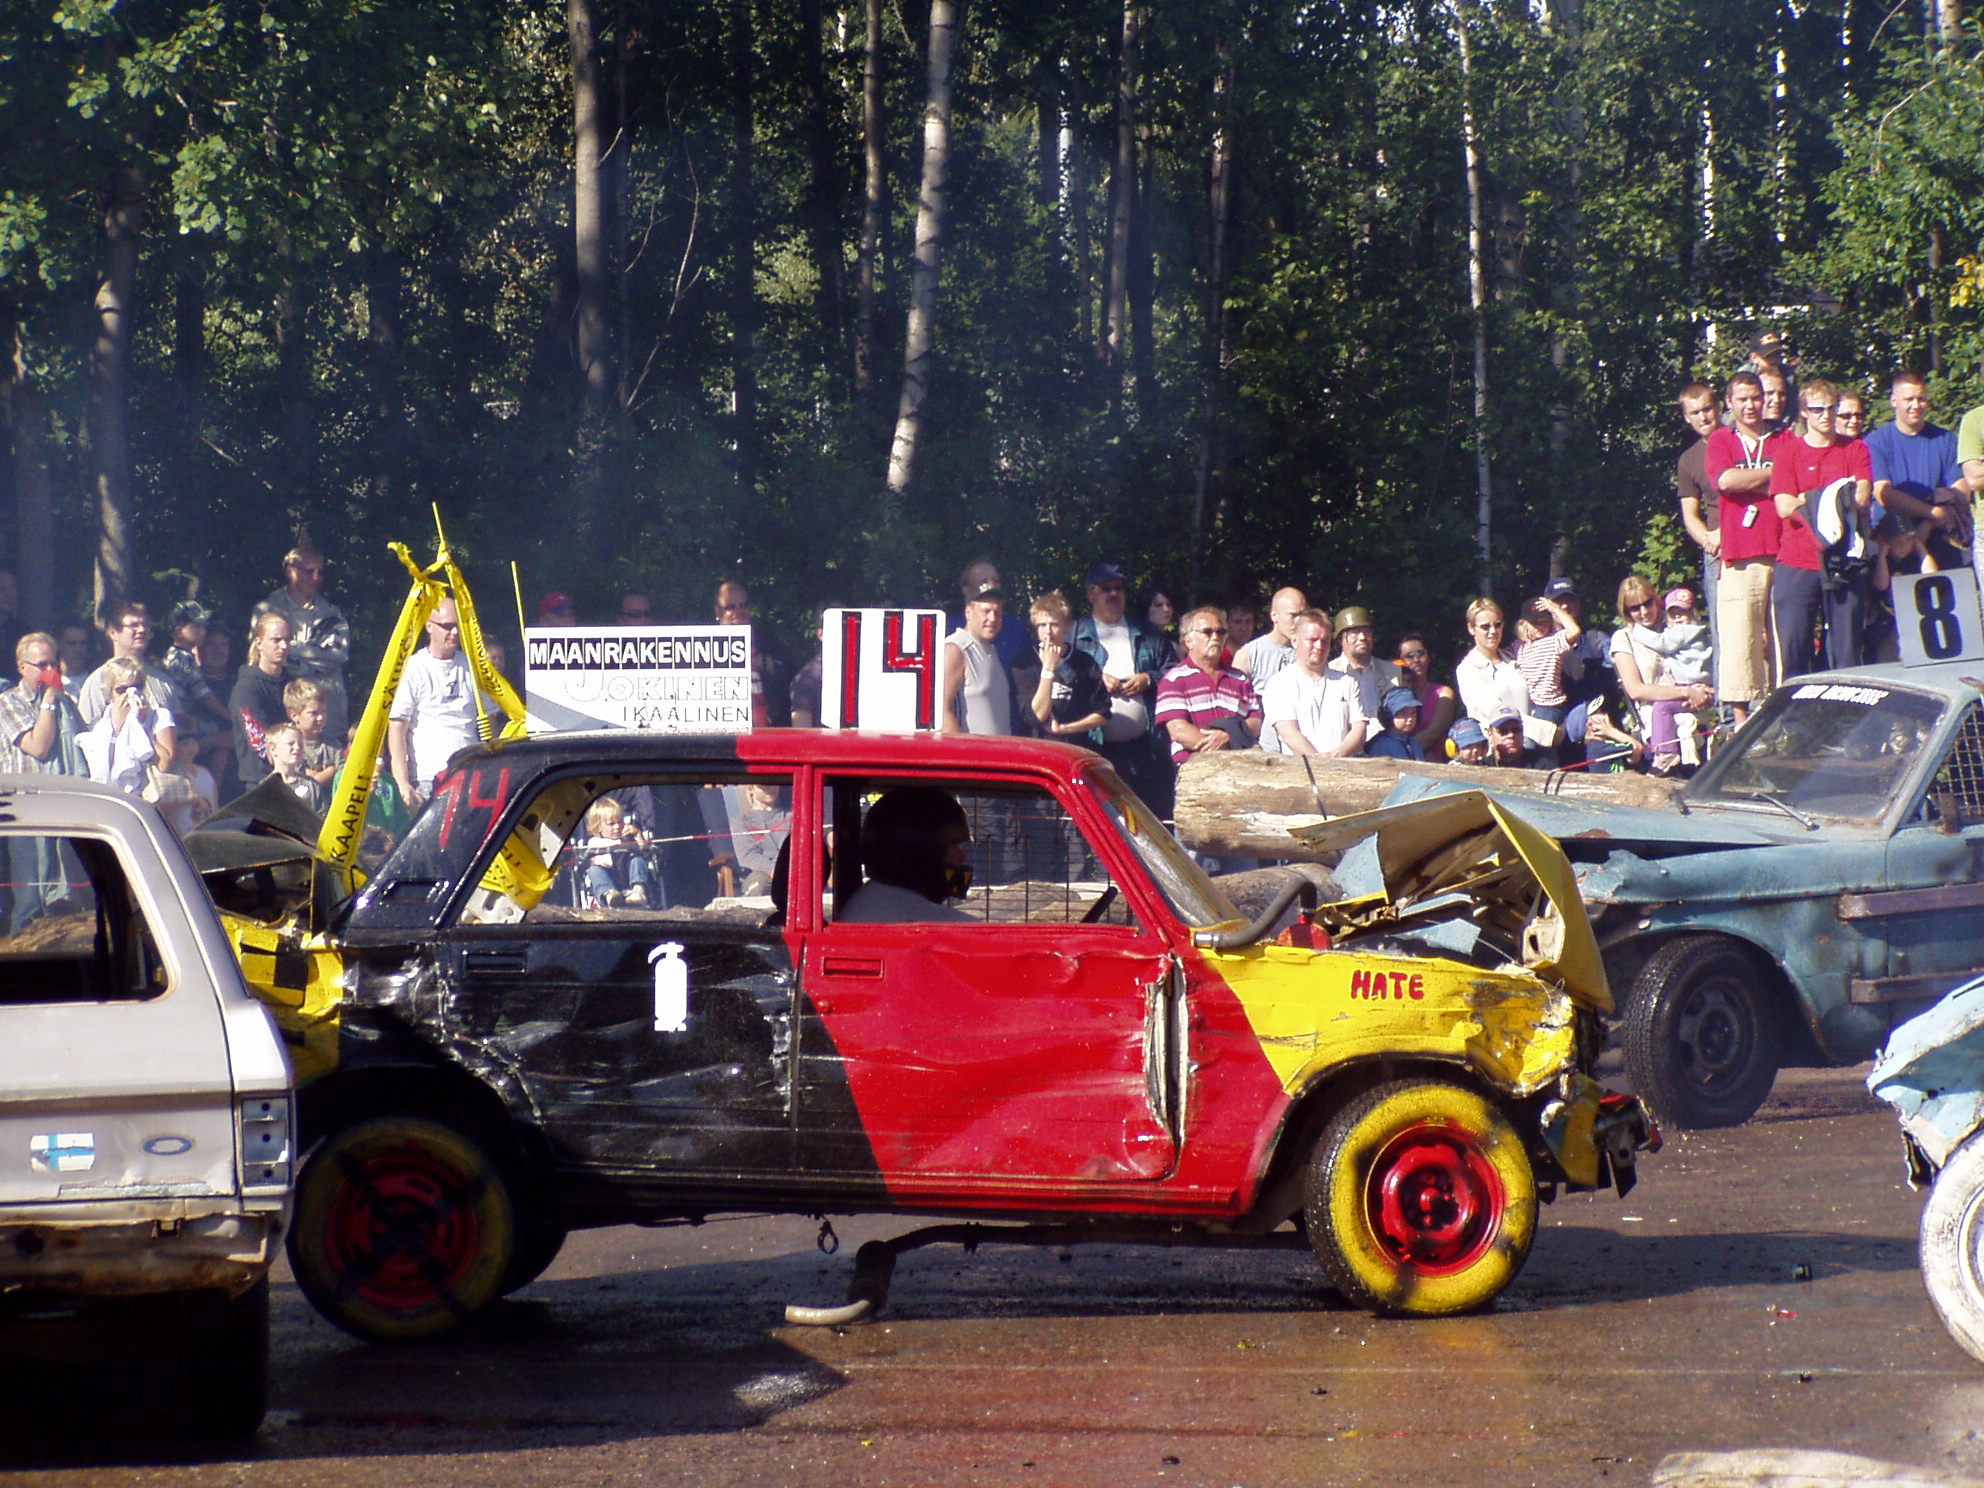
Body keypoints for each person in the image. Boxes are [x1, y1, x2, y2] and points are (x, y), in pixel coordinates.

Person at [1769, 377, 1873, 675]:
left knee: (1848, 654)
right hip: (1797, 561)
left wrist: (1809, 500)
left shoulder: (1855, 449)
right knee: (1794, 649)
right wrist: (1834, 497)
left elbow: (1862, 496)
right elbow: (1783, 505)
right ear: (1804, 412)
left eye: (1831, 409)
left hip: (1845, 560)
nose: (1825, 416)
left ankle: (1847, 717)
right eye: (1817, 410)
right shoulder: (1789, 452)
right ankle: (1797, 719)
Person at [1072, 562, 1174, 813]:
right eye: (1107, 588)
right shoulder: (1074, 634)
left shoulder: (1147, 632)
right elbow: (1061, 680)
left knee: (1150, 820)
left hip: (1145, 748)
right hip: (1094, 748)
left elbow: (1174, 674)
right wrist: (1096, 680)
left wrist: (1148, 679)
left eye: (1119, 588)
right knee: (1106, 823)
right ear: (1091, 593)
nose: (1114, 594)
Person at [1706, 370, 1779, 723]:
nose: (1750, 406)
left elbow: (1796, 481)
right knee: (1739, 638)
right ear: (1730, 403)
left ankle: (1783, 715)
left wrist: (1754, 480)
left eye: (1756, 398)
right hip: (1738, 554)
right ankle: (1740, 722)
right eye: (1742, 399)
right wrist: (1772, 475)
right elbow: (1726, 480)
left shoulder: (1783, 438)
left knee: (1782, 639)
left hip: (1783, 549)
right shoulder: (1721, 440)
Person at [1865, 370, 1970, 571]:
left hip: (1937, 539)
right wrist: (1931, 512)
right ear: (1894, 401)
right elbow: (1884, 494)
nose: (1916, 405)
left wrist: (1928, 524)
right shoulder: (1876, 442)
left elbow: (1959, 492)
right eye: (1909, 399)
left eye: (1921, 399)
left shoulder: (1945, 440)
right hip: (1890, 541)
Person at [389, 598, 488, 810]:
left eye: (457, 625)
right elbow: (397, 727)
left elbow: (491, 719)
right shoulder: (414, 667)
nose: (454, 632)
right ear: (429, 626)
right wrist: (403, 782)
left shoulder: (473, 666)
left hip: (470, 776)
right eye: (447, 626)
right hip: (428, 780)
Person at [254, 541, 352, 744]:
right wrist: (314, 654)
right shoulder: (267, 610)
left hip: (329, 722)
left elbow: (337, 656)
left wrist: (295, 650)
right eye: (309, 571)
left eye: (320, 572)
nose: (316, 578)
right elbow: (261, 658)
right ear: (290, 571)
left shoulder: (332, 613)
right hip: (283, 722)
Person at [837, 786, 974, 924]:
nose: (962, 856)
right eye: (954, 844)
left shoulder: (871, 900)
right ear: (920, 847)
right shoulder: (939, 922)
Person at [1610, 573, 1714, 753]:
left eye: (1647, 603)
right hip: (1657, 729)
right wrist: (1687, 692)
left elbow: (1705, 659)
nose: (1643, 612)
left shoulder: (1678, 623)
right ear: (1626, 611)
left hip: (1697, 721)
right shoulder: (1624, 638)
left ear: (1656, 599)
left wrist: (1706, 691)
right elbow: (1636, 690)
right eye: (1635, 608)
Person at [78, 602, 180, 769]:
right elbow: (89, 736)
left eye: (145, 625)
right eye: (133, 625)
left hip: (161, 779)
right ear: (113, 633)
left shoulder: (164, 681)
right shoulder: (97, 681)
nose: (141, 630)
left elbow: (180, 731)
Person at [1155, 606, 1262, 763]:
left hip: (1240, 766)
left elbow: (1256, 721)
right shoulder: (1174, 680)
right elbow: (1178, 730)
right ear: (1189, 641)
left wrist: (1228, 736)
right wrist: (1217, 748)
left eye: (1221, 632)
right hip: (1193, 767)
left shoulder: (1240, 679)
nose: (1215, 637)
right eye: (1207, 632)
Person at [1260, 611, 1367, 757]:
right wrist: (1320, 762)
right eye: (1312, 640)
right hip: (1299, 771)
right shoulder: (1279, 683)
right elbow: (1289, 734)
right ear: (1295, 640)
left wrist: (1337, 756)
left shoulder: (1347, 682)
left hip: (1344, 767)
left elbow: (1359, 729)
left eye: (1324, 641)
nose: (1319, 646)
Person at [1009, 590, 1110, 744]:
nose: (1048, 632)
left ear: (1067, 626)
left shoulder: (1084, 663)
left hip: (1075, 747)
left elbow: (1103, 714)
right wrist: (1048, 669)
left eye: (1054, 624)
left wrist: (1065, 728)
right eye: (1042, 625)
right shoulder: (1023, 664)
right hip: (1036, 748)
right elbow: (1036, 716)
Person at [1630, 588, 1713, 773]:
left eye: (1682, 613)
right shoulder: (1699, 632)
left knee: (1662, 707)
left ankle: (1666, 752)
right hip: (1699, 687)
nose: (1677, 618)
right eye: (1673, 614)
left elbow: (1662, 643)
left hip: (1694, 688)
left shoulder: (1684, 631)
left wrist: (1636, 630)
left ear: (1693, 614)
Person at [159, 600, 236, 779]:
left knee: (225, 744)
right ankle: (211, 792)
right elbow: (203, 694)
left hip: (186, 719)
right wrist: (229, 716)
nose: (203, 631)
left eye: (203, 626)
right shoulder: (180, 658)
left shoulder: (181, 655)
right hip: (181, 722)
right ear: (178, 631)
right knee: (228, 738)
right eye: (196, 626)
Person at [79, 657, 171, 796]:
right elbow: (102, 771)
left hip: (151, 797)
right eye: (121, 690)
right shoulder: (103, 725)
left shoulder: (160, 716)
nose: (130, 694)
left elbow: (165, 763)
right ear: (110, 692)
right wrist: (115, 730)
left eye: (136, 687)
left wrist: (141, 726)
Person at [0, 633, 87, 778]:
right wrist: (49, 699)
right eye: (42, 665)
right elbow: (38, 748)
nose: (50, 671)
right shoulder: (7, 702)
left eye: (53, 665)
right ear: (23, 667)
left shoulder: (65, 702)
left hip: (63, 791)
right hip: (24, 794)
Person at [1675, 382, 1724, 625]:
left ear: (1718, 407)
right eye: (1695, 413)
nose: (1703, 417)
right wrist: (1709, 539)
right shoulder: (1688, 459)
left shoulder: (1740, 441)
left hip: (1752, 540)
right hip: (1717, 551)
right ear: (1686, 417)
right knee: (1720, 625)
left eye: (1707, 409)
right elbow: (1690, 514)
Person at [715, 580, 792, 728]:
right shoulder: (707, 647)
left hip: (771, 733)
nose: (739, 611)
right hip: (725, 737)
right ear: (718, 611)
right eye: (730, 607)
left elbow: (785, 691)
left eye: (743, 605)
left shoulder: (771, 645)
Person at [941, 578, 1014, 735]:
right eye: (986, 611)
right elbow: (940, 710)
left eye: (998, 612)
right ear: (968, 612)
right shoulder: (956, 648)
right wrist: (962, 753)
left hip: (999, 756)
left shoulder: (991, 650)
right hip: (972, 756)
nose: (993, 618)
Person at [230, 611, 294, 786]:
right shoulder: (246, 689)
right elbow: (259, 739)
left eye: (287, 640)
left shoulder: (292, 683)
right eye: (276, 640)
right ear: (259, 643)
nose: (283, 646)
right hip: (261, 782)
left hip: (294, 776)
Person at [1511, 594, 1581, 738]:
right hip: (1529, 706)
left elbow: (1574, 630)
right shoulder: (1517, 647)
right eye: (1535, 623)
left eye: (1544, 622)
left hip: (1549, 706)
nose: (1540, 627)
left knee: (1534, 744)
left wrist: (1555, 608)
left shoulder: (1553, 642)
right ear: (1523, 623)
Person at [1454, 597, 1527, 727]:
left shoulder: (1513, 658)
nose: (1493, 631)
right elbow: (1498, 713)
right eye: (1485, 627)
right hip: (1495, 742)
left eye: (1497, 625)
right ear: (1471, 628)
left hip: (1530, 741)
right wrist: (1549, 732)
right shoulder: (1467, 670)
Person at [950, 560, 1030, 670]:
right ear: (966, 590)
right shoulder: (949, 631)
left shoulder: (1016, 629)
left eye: (995, 580)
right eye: (983, 581)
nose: (991, 585)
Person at [580, 796, 654, 907]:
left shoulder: (628, 837)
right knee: (594, 871)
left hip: (628, 876)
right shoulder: (594, 842)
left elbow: (646, 854)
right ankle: (610, 895)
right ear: (599, 827)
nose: (617, 826)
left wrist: (638, 835)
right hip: (608, 877)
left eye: (620, 822)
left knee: (637, 859)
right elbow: (587, 863)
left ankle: (638, 891)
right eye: (611, 824)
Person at [1392, 631, 1456, 756]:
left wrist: (1398, 751)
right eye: (1409, 656)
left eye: (1421, 654)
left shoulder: (1443, 694)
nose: (1416, 660)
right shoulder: (1391, 695)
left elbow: (1432, 733)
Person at [1232, 586, 1308, 686]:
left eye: (1303, 615)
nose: (1298, 621)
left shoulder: (1311, 651)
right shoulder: (1249, 654)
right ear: (1274, 616)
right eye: (1293, 615)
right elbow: (1234, 695)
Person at [1331, 605, 1397, 719]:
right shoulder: (1329, 673)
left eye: (1367, 631)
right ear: (1340, 639)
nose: (1362, 637)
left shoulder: (1393, 672)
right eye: (1355, 632)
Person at [285, 678, 342, 790]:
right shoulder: (290, 746)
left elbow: (343, 775)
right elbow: (301, 781)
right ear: (294, 715)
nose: (320, 718)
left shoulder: (333, 745)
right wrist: (331, 771)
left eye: (323, 712)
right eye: (314, 713)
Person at [261, 721, 324, 814]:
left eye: (300, 745)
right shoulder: (265, 788)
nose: (297, 747)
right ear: (273, 749)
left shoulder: (312, 785)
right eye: (291, 743)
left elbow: (323, 818)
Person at [1365, 687, 1424, 761]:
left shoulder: (1413, 742)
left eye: (1413, 713)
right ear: (1390, 715)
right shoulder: (1382, 744)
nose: (1410, 718)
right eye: (1404, 713)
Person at [56, 622, 92, 701]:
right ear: (59, 645)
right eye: (72, 643)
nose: (78, 649)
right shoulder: (51, 683)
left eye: (82, 643)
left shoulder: (95, 681)